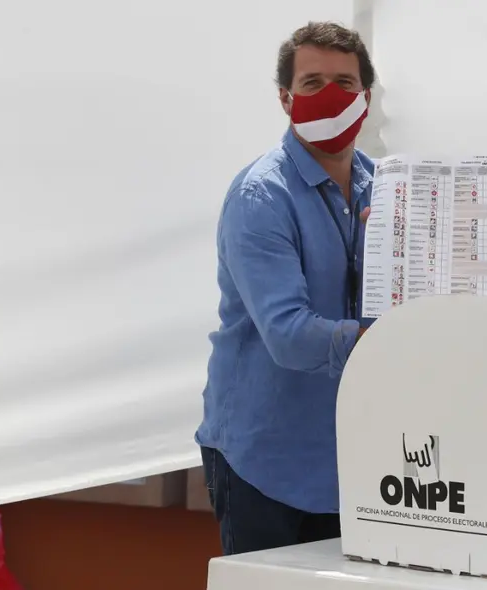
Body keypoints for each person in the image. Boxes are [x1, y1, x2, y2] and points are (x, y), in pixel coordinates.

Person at [194, 21, 377, 556]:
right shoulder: (261, 198)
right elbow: (288, 335)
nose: (331, 97)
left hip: (348, 459)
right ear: (285, 98)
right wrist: (387, 340)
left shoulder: (386, 187)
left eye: (345, 83)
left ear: (367, 96)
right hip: (264, 459)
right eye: (313, 83)